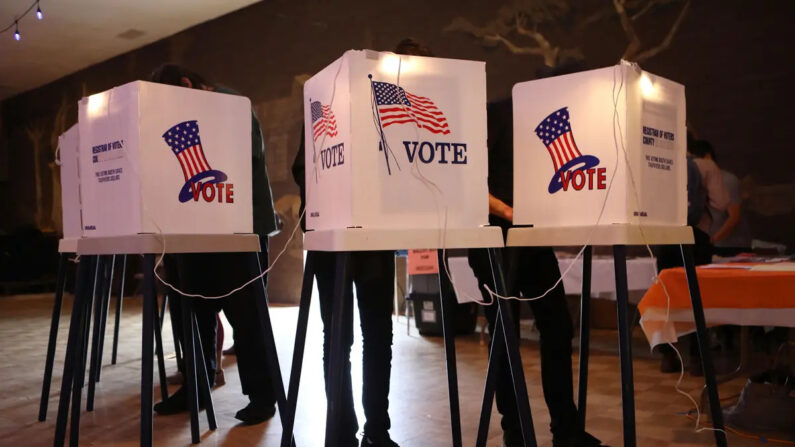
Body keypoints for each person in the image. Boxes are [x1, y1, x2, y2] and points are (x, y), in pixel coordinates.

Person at [289, 39, 432, 447]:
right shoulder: (342, 90)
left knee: (377, 334)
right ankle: (340, 433)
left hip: (375, 237)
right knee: (339, 337)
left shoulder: (399, 111)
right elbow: (307, 166)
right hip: (332, 239)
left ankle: (377, 432)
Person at [467, 60, 607, 447]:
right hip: (493, 238)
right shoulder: (497, 113)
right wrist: (510, 211)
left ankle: (566, 429)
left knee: (558, 326)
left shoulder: (555, 121)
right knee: (504, 336)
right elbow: (466, 179)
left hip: (531, 237)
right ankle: (515, 431)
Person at [149, 64, 280, 425]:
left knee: (247, 318)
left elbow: (245, 157)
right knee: (192, 311)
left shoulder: (230, 103)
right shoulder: (191, 110)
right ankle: (196, 388)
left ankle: (263, 396)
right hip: (195, 226)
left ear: (187, 85)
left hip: (238, 228)